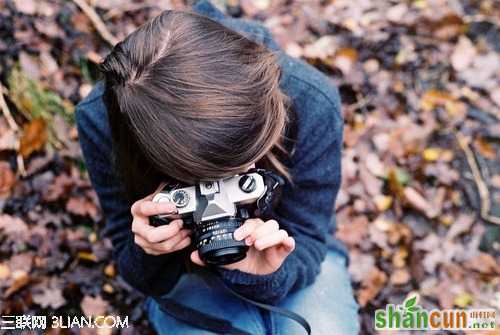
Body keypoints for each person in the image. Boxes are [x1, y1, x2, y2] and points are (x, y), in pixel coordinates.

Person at [75, 0, 359, 334]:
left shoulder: (310, 100)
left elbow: (310, 236)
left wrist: (265, 273)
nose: (219, 192)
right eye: (199, 181)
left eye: (245, 177)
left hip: (293, 257)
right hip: (186, 274)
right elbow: (137, 269)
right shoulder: (103, 118)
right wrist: (149, 250)